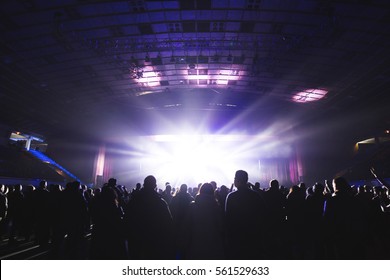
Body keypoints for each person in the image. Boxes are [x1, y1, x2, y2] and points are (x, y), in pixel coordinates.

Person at [124, 175, 174, 259]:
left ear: (144, 184)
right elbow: (168, 223)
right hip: (154, 241)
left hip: (136, 239)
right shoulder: (160, 202)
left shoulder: (134, 200)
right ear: (155, 186)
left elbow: (127, 218)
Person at [225, 170, 267, 259]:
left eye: (235, 179)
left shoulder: (231, 196)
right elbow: (263, 214)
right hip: (253, 234)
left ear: (238, 180)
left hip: (237, 235)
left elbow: (228, 217)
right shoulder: (256, 195)